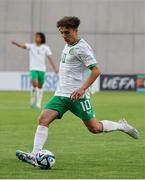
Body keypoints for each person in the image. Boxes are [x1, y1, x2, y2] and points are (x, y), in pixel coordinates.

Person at [16, 17, 139, 167]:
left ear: (76, 30)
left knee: (94, 128)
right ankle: (35, 155)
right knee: (43, 119)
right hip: (61, 94)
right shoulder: (68, 44)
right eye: (61, 33)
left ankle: (121, 126)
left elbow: (96, 70)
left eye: (67, 33)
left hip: (77, 97)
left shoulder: (82, 48)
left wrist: (82, 89)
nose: (64, 36)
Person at [12, 32, 58, 109]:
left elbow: (50, 58)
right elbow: (22, 46)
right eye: (35, 37)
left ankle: (38, 103)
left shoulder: (45, 48)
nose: (36, 38)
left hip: (42, 69)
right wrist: (15, 43)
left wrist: (55, 68)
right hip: (33, 68)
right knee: (34, 83)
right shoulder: (31, 46)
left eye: (38, 37)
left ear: (42, 39)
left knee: (40, 86)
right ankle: (33, 101)